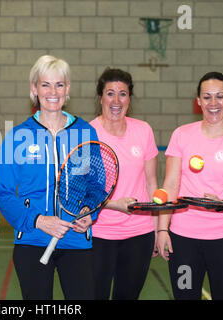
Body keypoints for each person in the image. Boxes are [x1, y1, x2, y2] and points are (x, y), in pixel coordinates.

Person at [0, 55, 99, 300]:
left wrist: (88, 211)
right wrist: (39, 220)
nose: (53, 91)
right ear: (34, 88)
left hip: (76, 241)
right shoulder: (18, 136)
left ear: (67, 88)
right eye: (45, 84)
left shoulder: (85, 132)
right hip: (32, 240)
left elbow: (97, 185)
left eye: (59, 84)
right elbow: (4, 193)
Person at [157, 71, 223, 300]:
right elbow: (169, 186)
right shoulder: (181, 135)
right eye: (207, 97)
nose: (213, 103)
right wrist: (163, 228)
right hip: (183, 242)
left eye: (219, 96)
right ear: (198, 100)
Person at [89, 68, 159, 300]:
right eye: (110, 93)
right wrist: (113, 204)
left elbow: (151, 183)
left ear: (130, 98)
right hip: (98, 233)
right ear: (100, 98)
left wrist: (159, 228)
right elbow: (82, 191)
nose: (116, 100)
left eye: (123, 93)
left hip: (140, 234)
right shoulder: (88, 133)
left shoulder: (144, 130)